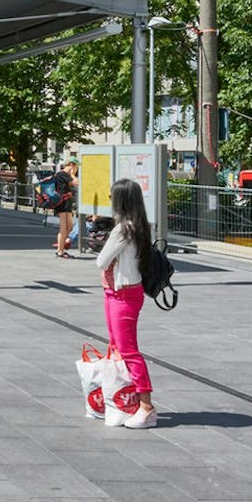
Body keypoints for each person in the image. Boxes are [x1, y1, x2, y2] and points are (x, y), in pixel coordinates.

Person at [96, 177, 158, 428]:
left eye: (113, 197)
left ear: (121, 200)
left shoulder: (124, 229)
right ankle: (125, 400)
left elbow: (101, 261)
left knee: (127, 350)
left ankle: (146, 405)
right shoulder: (140, 226)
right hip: (121, 292)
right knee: (118, 347)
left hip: (122, 294)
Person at [52, 161, 79, 258]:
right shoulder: (62, 174)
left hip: (66, 204)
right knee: (63, 228)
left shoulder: (63, 175)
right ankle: (60, 251)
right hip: (62, 204)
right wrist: (72, 174)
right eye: (76, 167)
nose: (76, 170)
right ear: (71, 165)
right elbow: (76, 182)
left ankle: (60, 247)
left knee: (70, 227)